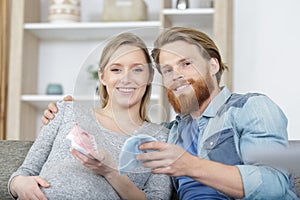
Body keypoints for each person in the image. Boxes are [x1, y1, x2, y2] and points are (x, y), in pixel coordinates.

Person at [41, 27, 299, 199]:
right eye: (167, 69)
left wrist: (191, 165)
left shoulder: (252, 108)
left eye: (186, 64)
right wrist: (68, 112)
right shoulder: (171, 133)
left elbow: (274, 183)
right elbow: (127, 126)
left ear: (213, 65)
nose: (175, 75)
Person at [8, 32, 172, 200]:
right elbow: (24, 173)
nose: (126, 78)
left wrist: (111, 171)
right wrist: (19, 184)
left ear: (150, 76)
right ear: (102, 77)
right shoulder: (66, 111)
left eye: (137, 70)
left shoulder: (160, 138)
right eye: (116, 69)